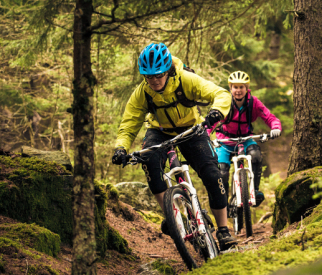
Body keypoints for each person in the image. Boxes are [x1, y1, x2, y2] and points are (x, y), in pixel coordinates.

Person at [111, 43, 238, 251]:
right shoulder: (142, 92)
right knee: (150, 163)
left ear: (168, 70)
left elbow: (221, 94)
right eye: (149, 77)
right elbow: (129, 123)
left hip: (191, 129)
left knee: (212, 174)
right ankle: (172, 216)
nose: (154, 81)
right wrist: (121, 148)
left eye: (158, 75)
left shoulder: (186, 80)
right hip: (159, 131)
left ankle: (223, 230)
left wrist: (217, 111)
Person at [208, 70, 282, 208]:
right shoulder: (225, 102)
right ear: (230, 88)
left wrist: (275, 127)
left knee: (255, 155)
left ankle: (255, 190)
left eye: (241, 87)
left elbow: (269, 116)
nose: (238, 90)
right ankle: (224, 203)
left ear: (247, 88)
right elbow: (211, 122)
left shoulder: (253, 102)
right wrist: (206, 135)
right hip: (225, 141)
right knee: (222, 171)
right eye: (235, 87)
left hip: (246, 139)